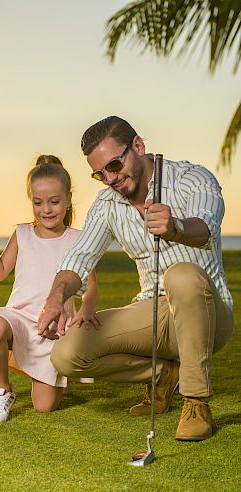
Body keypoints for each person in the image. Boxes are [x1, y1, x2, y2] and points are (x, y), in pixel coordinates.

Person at [38, 116, 233, 441]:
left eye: (114, 165)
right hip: (154, 312)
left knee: (181, 275)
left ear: (138, 147)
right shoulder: (107, 203)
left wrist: (177, 229)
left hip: (209, 312)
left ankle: (196, 401)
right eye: (99, 174)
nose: (110, 178)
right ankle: (163, 373)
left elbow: (206, 227)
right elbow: (80, 258)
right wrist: (56, 297)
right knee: (66, 354)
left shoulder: (192, 178)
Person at [0, 155, 100, 424]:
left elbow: (90, 286)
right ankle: (2, 389)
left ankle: (18, 359)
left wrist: (86, 309)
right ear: (31, 200)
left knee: (44, 407)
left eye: (55, 202)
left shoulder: (79, 239)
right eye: (38, 202)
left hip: (54, 330)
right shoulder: (22, 234)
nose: (47, 209)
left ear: (68, 200)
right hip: (18, 319)